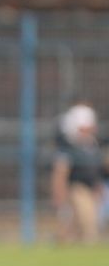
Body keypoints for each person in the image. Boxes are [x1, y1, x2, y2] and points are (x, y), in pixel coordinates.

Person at [52, 102, 104, 244]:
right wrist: (60, 198)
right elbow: (60, 175)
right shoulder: (69, 148)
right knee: (84, 222)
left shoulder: (92, 146)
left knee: (76, 227)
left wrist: (97, 187)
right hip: (75, 189)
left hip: (89, 190)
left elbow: (96, 170)